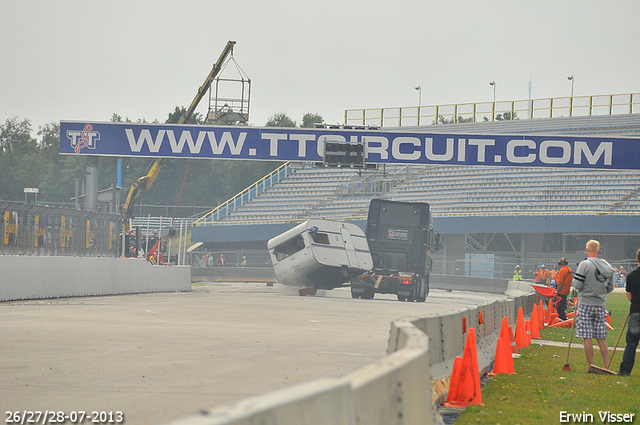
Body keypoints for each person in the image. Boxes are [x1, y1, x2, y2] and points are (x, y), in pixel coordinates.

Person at [571, 239, 615, 369]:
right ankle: (606, 365)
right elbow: (610, 287)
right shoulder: (607, 266)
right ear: (598, 250)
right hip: (601, 304)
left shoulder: (584, 265)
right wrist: (600, 292)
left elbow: (577, 285)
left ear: (587, 250)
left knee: (587, 336)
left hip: (585, 304)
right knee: (601, 337)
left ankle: (592, 365)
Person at [619, 248, 640, 376]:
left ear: (637, 259)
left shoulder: (631, 275)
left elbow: (628, 294)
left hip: (636, 311)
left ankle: (625, 370)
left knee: (631, 343)